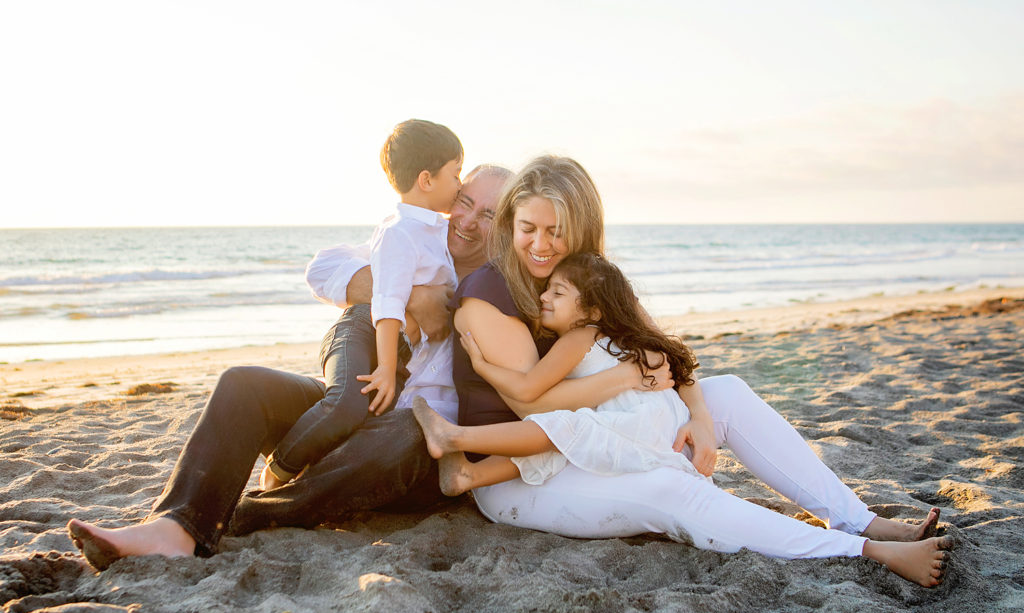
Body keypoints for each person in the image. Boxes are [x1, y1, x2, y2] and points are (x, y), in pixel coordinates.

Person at [65, 165, 660, 570]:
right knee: (244, 384)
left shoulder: (513, 291)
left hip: (419, 450)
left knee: (409, 430)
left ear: (507, 224)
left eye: (489, 213)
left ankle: (239, 520)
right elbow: (323, 268)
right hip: (358, 407)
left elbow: (619, 340)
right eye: (464, 202)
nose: (469, 220)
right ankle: (177, 523)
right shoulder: (409, 246)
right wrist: (400, 295)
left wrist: (677, 395)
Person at [445, 154, 952, 588]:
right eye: (528, 229)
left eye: (556, 232)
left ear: (580, 228)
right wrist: (627, 379)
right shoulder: (490, 296)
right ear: (511, 223)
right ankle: (859, 553)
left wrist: (701, 416)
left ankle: (859, 521)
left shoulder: (587, 278)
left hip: (606, 435)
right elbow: (531, 406)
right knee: (672, 493)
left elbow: (661, 347)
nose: (540, 245)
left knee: (726, 390)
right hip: (526, 475)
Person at [259, 119, 463, 490]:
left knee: (367, 423)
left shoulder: (432, 227)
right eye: (456, 173)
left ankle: (309, 464)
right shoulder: (399, 232)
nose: (460, 185)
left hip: (409, 352)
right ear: (426, 179)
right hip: (387, 343)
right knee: (343, 407)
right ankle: (280, 467)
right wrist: (385, 366)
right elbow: (387, 305)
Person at [413, 251, 706, 494]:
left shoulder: (578, 338)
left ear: (592, 311)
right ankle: (469, 475)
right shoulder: (607, 337)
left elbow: (528, 389)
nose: (544, 297)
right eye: (547, 288)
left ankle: (455, 438)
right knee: (561, 439)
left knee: (558, 428)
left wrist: (481, 366)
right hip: (659, 421)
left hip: (641, 423)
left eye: (558, 292)